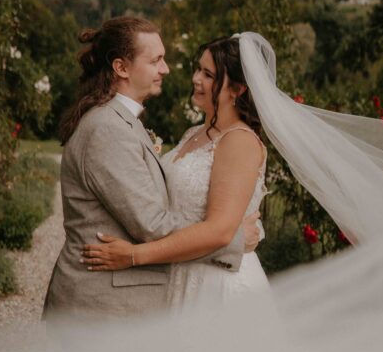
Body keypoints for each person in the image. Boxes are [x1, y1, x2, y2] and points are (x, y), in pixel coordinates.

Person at [42, 17, 259, 320]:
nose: (166, 69)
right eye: (156, 60)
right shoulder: (109, 128)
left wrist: (220, 232)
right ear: (121, 68)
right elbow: (151, 223)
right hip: (104, 309)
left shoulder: (121, 122)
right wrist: (231, 238)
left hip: (169, 291)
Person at [82, 35, 271, 306]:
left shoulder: (239, 141)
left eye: (208, 74)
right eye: (198, 69)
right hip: (179, 273)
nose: (195, 78)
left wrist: (135, 255)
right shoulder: (194, 133)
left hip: (217, 285)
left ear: (237, 89)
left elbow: (219, 232)